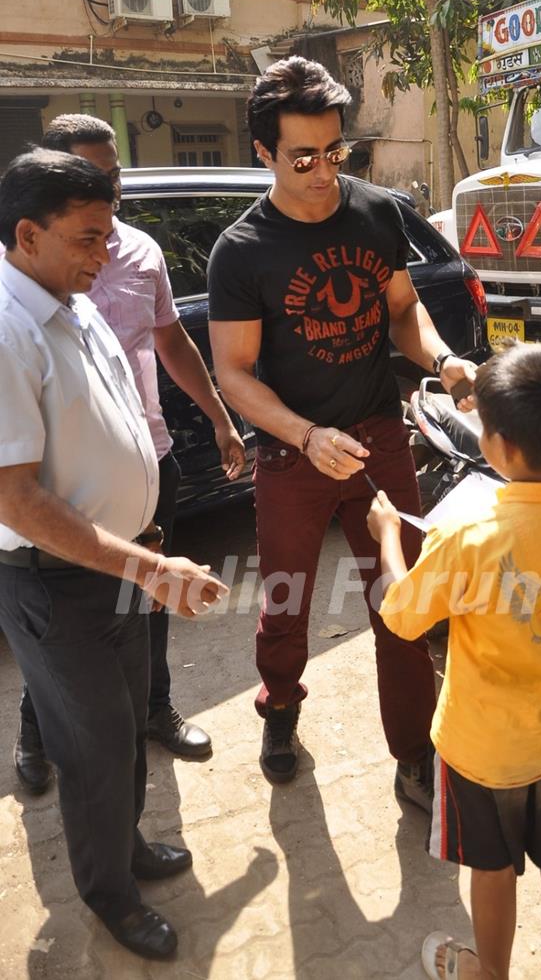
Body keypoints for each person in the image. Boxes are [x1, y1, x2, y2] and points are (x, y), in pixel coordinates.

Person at [208, 56, 477, 808]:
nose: (325, 172)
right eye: (303, 158)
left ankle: (414, 754)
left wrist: (447, 359)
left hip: (377, 438)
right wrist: (303, 434)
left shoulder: (376, 213)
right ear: (264, 153)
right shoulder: (242, 251)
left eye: (336, 153)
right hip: (293, 457)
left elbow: (400, 310)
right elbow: (234, 373)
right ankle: (281, 709)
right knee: (286, 598)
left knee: (403, 595)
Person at [0, 149, 228, 958]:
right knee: (93, 748)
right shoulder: (6, 327)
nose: (108, 253)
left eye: (109, 232)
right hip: (59, 586)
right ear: (28, 234)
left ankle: (126, 850)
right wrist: (151, 568)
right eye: (88, 238)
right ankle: (110, 895)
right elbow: (16, 499)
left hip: (116, 566)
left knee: (128, 726)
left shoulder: (71, 293)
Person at [367, 342, 541, 980]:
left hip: (482, 747)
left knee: (491, 871)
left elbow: (403, 615)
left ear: (503, 447)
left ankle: (487, 972)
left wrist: (386, 539)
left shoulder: (468, 536)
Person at [8, 114, 245, 795]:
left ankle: (154, 710)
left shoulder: (138, 251)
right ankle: (39, 736)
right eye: (93, 178)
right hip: (65, 481)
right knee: (61, 625)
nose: (111, 197)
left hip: (149, 455)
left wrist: (220, 418)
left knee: (148, 600)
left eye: (114, 178)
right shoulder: (23, 278)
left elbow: (172, 341)